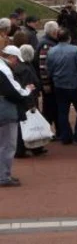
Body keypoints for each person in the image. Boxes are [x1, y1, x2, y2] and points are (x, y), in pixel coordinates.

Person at [0, 45, 36, 187]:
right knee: (8, 145)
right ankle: (3, 176)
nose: (17, 63)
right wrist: (27, 90)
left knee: (3, 144)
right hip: (5, 109)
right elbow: (15, 92)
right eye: (16, 60)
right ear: (12, 57)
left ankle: (3, 174)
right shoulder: (4, 70)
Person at [46, 28, 77, 145]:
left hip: (59, 85)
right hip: (75, 86)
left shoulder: (52, 51)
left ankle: (66, 136)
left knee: (62, 111)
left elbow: (49, 69)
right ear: (69, 38)